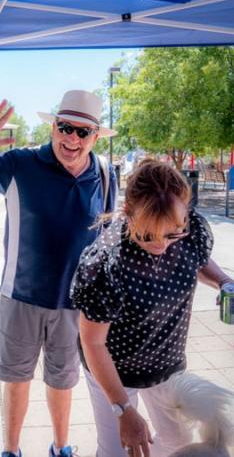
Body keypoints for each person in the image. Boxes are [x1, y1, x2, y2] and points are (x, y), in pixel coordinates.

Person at [0, 91, 118, 457]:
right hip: (21, 295)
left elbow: (108, 236)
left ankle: (61, 447)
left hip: (75, 303)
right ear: (53, 127)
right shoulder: (19, 164)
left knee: (62, 380)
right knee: (16, 379)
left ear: (94, 136)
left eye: (82, 131)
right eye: (64, 127)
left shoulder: (105, 173)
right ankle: (11, 450)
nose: (71, 138)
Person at [70, 160, 234, 457]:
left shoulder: (190, 229)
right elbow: (92, 342)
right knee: (117, 451)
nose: (161, 245)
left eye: (172, 234)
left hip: (166, 363)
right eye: (147, 235)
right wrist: (123, 410)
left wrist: (223, 281)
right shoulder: (107, 263)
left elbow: (197, 260)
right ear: (127, 213)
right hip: (115, 369)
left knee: (176, 442)